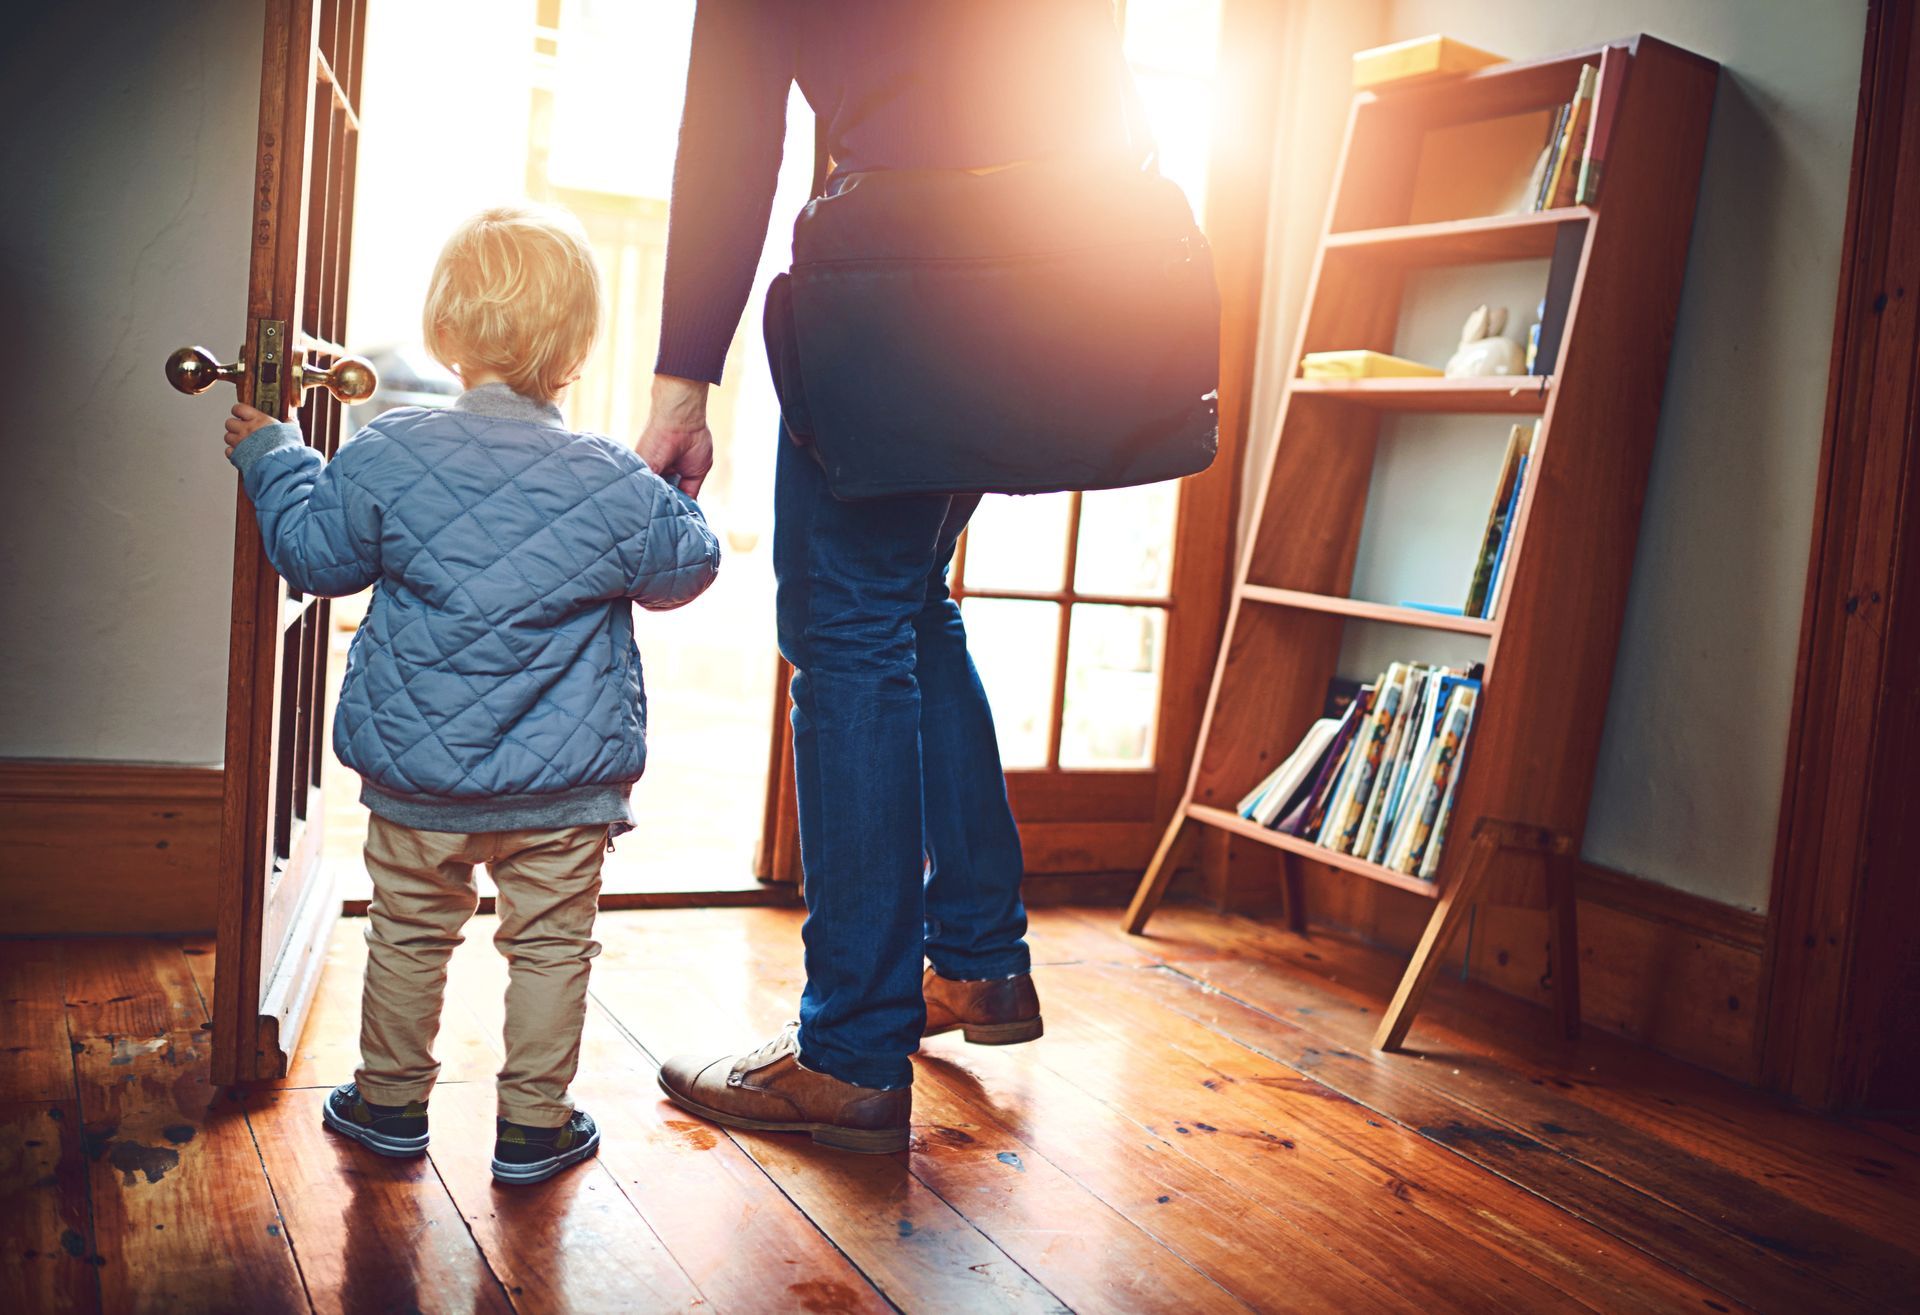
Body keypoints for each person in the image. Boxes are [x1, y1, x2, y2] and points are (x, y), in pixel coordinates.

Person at [643, 1, 1132, 1155]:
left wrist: (681, 377)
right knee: (911, 603)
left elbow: (731, 132)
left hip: (899, 277)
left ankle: (852, 1048)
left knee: (850, 621)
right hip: (1038, 278)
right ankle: (975, 962)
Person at [222, 205, 722, 1184]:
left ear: (446, 335)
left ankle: (390, 1103)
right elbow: (687, 568)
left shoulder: (389, 451)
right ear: (576, 354)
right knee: (552, 950)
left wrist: (273, 455)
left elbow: (315, 555)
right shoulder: (611, 479)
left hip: (424, 780)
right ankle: (535, 1124)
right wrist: (676, 492)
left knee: (408, 932)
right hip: (563, 793)